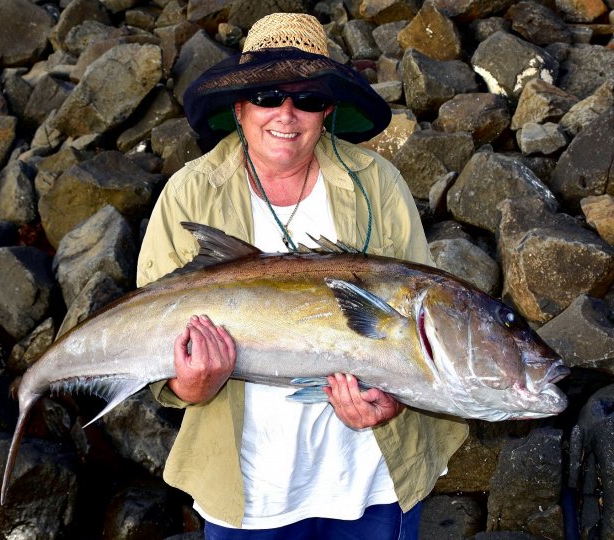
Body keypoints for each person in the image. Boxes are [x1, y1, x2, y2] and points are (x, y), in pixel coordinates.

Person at [137, 12, 468, 539]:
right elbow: (155, 349)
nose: (286, 115)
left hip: (369, 481)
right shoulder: (188, 192)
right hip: (248, 492)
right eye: (268, 96)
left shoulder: (376, 182)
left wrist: (392, 399)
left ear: (327, 110)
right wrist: (190, 385)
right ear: (239, 107)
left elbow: (421, 322)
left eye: (307, 99)